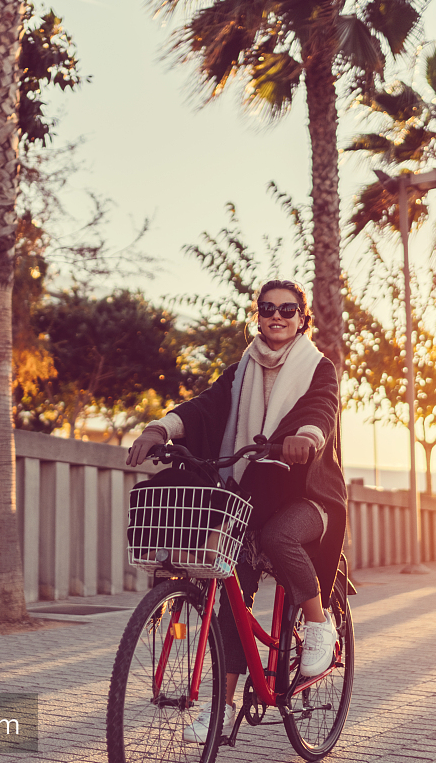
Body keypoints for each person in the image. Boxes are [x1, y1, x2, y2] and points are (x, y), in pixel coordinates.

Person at [126, 279, 347, 744]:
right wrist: (160, 428)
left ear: (302, 319)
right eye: (268, 308)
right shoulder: (242, 368)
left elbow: (321, 408)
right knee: (228, 600)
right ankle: (221, 710)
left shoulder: (318, 368)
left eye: (288, 310)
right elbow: (205, 407)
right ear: (258, 313)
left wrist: (306, 437)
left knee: (278, 538)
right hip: (252, 496)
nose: (277, 316)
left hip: (309, 494)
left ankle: (318, 624)